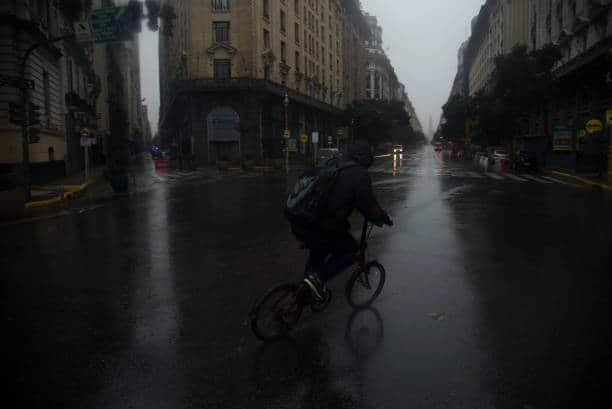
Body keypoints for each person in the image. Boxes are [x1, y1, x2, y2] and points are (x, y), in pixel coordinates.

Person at [291, 140, 393, 302]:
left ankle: (305, 289)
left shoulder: (333, 164)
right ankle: (317, 280)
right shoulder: (359, 174)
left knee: (319, 248)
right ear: (363, 157)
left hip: (299, 217)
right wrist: (382, 218)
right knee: (351, 249)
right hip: (321, 223)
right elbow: (368, 203)